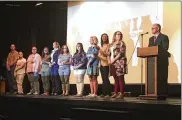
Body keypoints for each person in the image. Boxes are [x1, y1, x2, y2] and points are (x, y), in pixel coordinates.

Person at [148, 23, 169, 95]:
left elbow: (165, 48)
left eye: (153, 28)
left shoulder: (164, 37)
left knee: (162, 78)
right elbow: (149, 50)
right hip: (152, 62)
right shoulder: (151, 39)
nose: (152, 29)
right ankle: (153, 93)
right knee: (153, 78)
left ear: (158, 29)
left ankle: (163, 94)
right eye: (152, 28)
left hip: (162, 62)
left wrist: (157, 50)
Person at [110, 31, 127, 99]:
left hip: (120, 62)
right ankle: (115, 93)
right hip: (112, 63)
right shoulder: (112, 44)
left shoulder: (122, 43)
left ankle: (121, 93)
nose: (119, 35)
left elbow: (121, 53)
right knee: (115, 78)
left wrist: (114, 59)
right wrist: (109, 59)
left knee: (120, 78)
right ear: (115, 35)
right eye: (118, 34)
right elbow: (109, 53)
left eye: (120, 34)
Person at [98, 33, 111, 98]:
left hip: (106, 64)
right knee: (103, 79)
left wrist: (100, 56)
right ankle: (104, 93)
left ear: (107, 38)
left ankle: (108, 93)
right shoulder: (101, 46)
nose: (104, 38)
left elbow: (107, 55)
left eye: (105, 37)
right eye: (103, 37)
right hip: (101, 64)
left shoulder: (108, 45)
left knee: (106, 78)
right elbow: (99, 55)